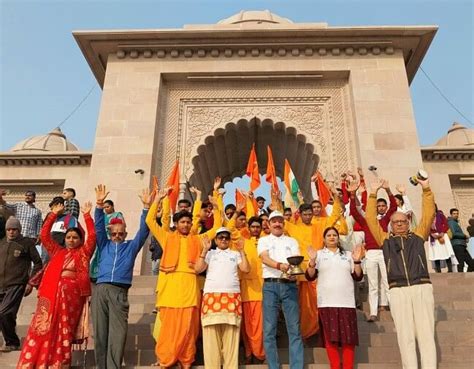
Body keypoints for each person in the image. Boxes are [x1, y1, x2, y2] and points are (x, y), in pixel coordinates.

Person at [146, 187, 222, 369]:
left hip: (189, 286)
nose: (186, 225)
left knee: (189, 328)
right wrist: (158, 199)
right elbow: (150, 220)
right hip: (170, 289)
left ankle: (186, 360)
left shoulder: (197, 239)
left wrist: (216, 207)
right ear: (177, 224)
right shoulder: (167, 237)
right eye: (183, 222)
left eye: (189, 222)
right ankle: (166, 359)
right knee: (169, 328)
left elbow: (218, 228)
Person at [366, 176, 436, 369]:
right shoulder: (385, 241)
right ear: (390, 225)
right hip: (397, 290)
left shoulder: (418, 236)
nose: (399, 224)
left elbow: (429, 214)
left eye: (402, 221)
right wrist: (373, 194)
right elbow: (370, 219)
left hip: (421, 286)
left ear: (408, 223)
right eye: (395, 222)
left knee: (426, 334)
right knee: (405, 336)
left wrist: (426, 190)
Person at [17, 200, 95, 368]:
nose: (71, 240)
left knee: (64, 330)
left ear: (80, 240)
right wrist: (54, 215)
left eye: (75, 237)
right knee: (42, 327)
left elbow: (93, 237)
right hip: (50, 295)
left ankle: (58, 363)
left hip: (72, 299)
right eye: (68, 237)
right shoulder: (57, 251)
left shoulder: (84, 253)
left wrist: (87, 216)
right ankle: (33, 362)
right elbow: (44, 236)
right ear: (64, 239)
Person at [92, 184, 151, 369]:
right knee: (100, 333)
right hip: (100, 289)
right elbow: (98, 228)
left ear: (125, 234)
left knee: (117, 334)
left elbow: (144, 231)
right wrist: (99, 205)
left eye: (120, 233)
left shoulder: (130, 247)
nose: (117, 235)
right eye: (114, 233)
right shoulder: (105, 245)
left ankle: (113, 366)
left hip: (119, 291)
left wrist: (146, 209)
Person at [305, 227, 365, 369]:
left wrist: (357, 261)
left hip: (347, 303)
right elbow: (310, 276)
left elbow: (358, 276)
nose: (332, 237)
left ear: (338, 238)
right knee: (330, 340)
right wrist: (312, 261)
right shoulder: (318, 255)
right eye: (329, 235)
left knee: (348, 340)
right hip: (326, 303)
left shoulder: (349, 255)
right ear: (324, 239)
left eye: (334, 235)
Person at [195, 228, 249, 369]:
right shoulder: (210, 254)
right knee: (211, 341)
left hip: (232, 298)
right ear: (216, 240)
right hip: (212, 298)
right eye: (220, 237)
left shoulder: (235, 254)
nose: (223, 239)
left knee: (231, 340)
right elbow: (198, 269)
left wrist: (242, 251)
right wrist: (204, 250)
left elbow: (246, 269)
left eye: (226, 237)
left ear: (230, 240)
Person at [258, 210, 304, 369]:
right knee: (269, 329)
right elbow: (264, 258)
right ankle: (273, 366)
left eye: (280, 221)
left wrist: (292, 273)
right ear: (269, 225)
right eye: (274, 221)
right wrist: (280, 266)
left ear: (283, 224)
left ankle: (296, 366)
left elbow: (296, 261)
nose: (277, 224)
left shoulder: (292, 241)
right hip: (270, 286)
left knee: (294, 328)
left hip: (289, 285)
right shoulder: (263, 240)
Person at [347, 180, 389, 322]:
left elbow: (394, 207)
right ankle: (373, 312)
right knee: (373, 284)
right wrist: (352, 195)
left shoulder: (384, 220)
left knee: (387, 281)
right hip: (371, 253)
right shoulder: (365, 222)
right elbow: (353, 212)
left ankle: (392, 307)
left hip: (384, 252)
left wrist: (387, 190)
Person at [0, 218, 42, 352]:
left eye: (14, 229)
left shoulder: (26, 243)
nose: (11, 232)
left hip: (16, 284)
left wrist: (31, 282)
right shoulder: (1, 243)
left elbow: (38, 263)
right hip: (1, 284)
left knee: (4, 313)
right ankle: (10, 341)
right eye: (9, 230)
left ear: (19, 230)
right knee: (7, 315)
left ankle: (12, 341)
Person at [239, 216, 265, 363]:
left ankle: (259, 353)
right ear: (248, 228)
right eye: (253, 226)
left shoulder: (266, 242)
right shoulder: (243, 242)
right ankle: (249, 352)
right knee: (247, 325)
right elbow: (229, 228)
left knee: (260, 325)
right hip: (246, 289)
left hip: (262, 289)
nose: (255, 229)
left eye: (257, 226)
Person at [429, 206, 455, 272]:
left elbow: (446, 225)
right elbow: (426, 227)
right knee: (436, 254)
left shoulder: (440, 215)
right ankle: (438, 271)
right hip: (433, 236)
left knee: (446, 252)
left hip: (442, 235)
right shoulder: (427, 217)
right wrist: (431, 234)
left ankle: (450, 270)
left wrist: (442, 232)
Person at [448, 208, 474, 272]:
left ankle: (466, 279)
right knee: (461, 263)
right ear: (451, 215)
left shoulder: (455, 222)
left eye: (457, 213)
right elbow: (453, 233)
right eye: (454, 214)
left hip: (461, 245)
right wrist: (464, 236)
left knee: (471, 264)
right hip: (457, 245)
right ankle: (460, 280)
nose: (456, 215)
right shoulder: (451, 222)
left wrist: (464, 238)